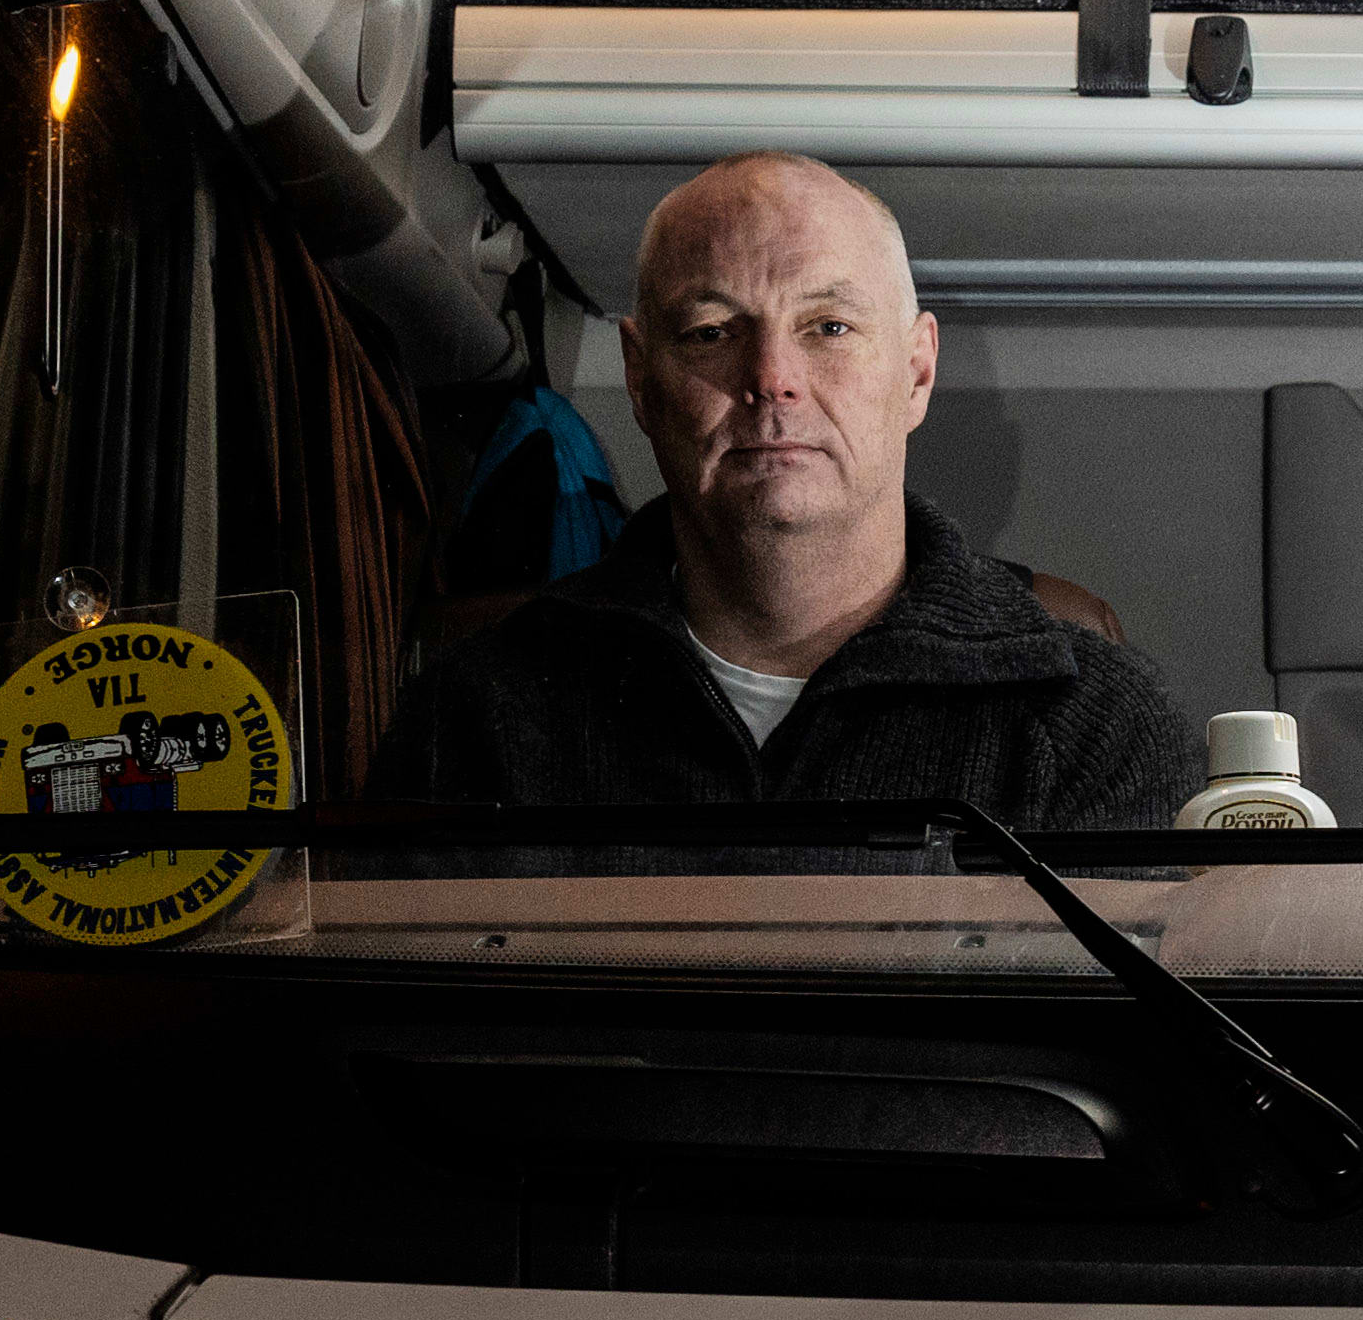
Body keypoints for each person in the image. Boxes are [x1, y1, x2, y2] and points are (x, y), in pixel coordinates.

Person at [373, 151, 1199, 846]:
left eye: (828, 327)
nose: (771, 379)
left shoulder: (1095, 719)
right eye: (711, 332)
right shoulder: (471, 714)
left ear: (916, 372)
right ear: (640, 378)